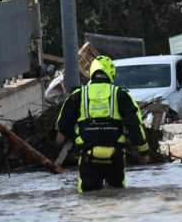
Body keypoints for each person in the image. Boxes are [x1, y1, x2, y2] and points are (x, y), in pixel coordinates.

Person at [57, 55, 149, 193]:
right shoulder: (121, 95)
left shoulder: (78, 94)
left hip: (88, 155)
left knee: (88, 197)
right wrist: (143, 152)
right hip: (115, 156)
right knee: (117, 195)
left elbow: (63, 125)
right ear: (111, 73)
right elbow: (135, 125)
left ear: (92, 72)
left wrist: (77, 138)